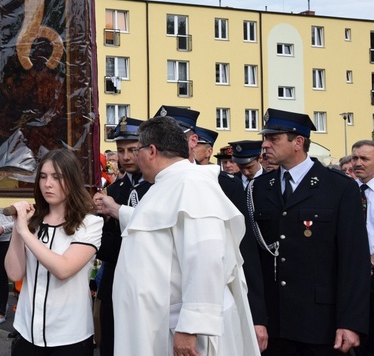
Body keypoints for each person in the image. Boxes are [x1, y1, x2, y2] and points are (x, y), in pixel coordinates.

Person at [112, 116, 259, 355]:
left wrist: (192, 326)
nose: (134, 156)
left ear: (151, 151)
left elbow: (206, 255)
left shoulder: (192, 184)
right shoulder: (168, 183)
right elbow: (156, 229)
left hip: (183, 331)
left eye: (137, 149)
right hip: (164, 323)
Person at [250, 109, 369, 355]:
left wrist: (350, 322)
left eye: (274, 139)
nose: (265, 145)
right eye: (265, 138)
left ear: (298, 142)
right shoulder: (259, 188)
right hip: (273, 322)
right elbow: (252, 260)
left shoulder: (338, 187)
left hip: (320, 322)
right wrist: (256, 315)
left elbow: (353, 260)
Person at [6, 149, 103, 355]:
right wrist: (18, 227)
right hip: (26, 333)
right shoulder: (32, 223)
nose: (47, 184)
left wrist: (25, 232)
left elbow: (64, 268)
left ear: (72, 179)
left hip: (68, 338)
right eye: (43, 177)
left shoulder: (90, 224)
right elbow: (14, 273)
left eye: (56, 177)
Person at [93, 116, 151, 356]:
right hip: (115, 280)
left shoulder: (156, 186)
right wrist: (97, 222)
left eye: (132, 150)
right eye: (120, 151)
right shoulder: (115, 189)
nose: (125, 157)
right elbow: (107, 247)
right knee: (111, 342)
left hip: (146, 283)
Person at [347, 140, 374, 355]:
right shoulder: (346, 192)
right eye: (355, 158)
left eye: (364, 158)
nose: (358, 163)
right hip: (354, 274)